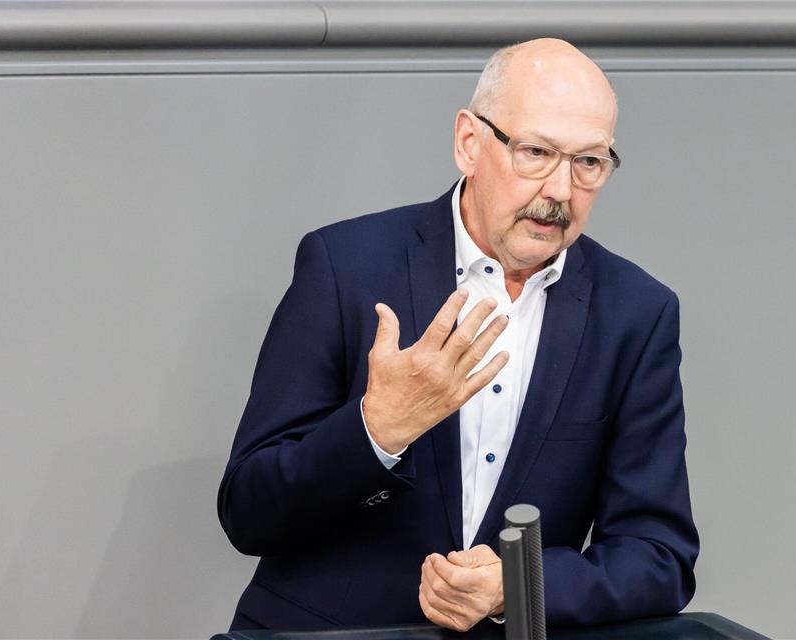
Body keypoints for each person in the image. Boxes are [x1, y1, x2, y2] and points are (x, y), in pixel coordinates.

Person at [218, 38, 699, 632]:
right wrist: (377, 430)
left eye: (588, 163)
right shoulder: (345, 266)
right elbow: (248, 511)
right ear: (469, 142)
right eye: (536, 152)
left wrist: (517, 586)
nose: (559, 190)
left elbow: (658, 555)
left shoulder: (635, 313)